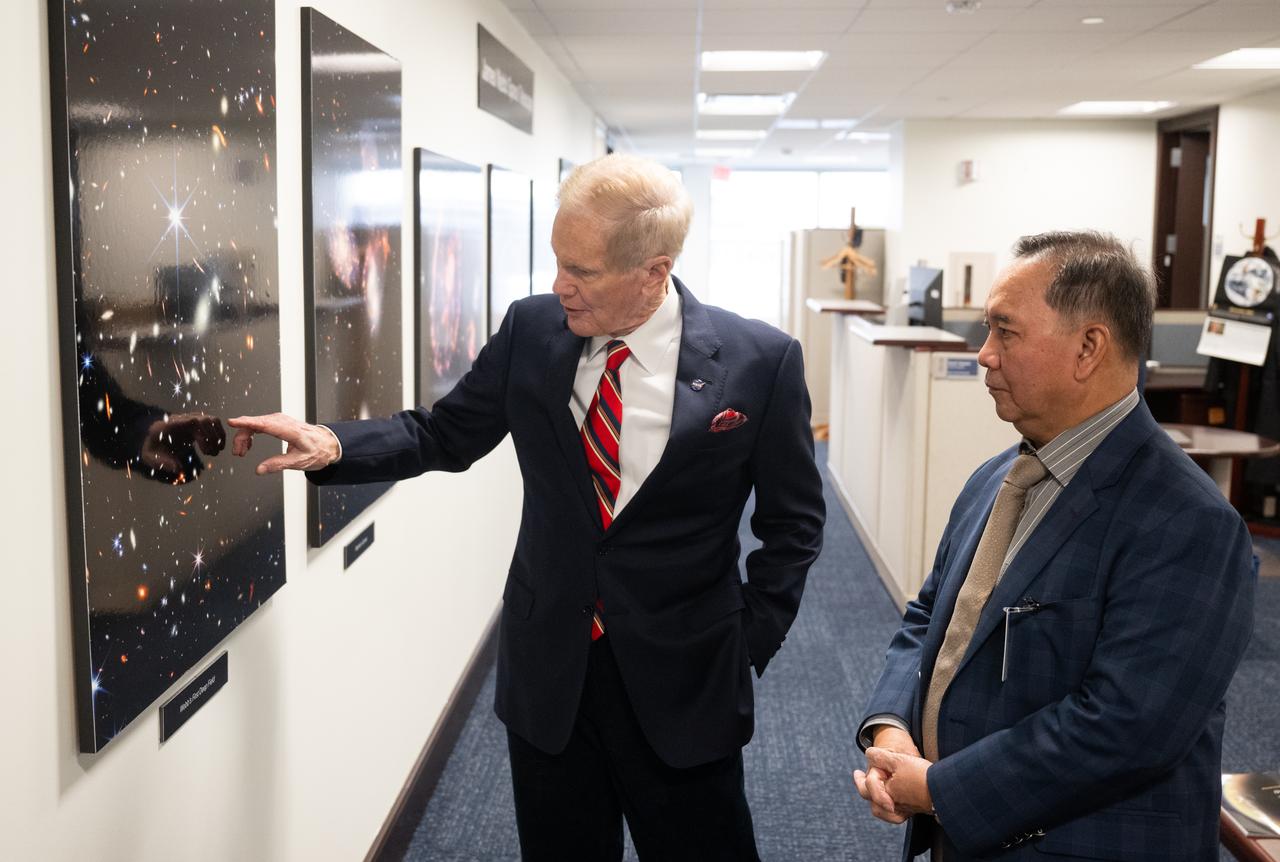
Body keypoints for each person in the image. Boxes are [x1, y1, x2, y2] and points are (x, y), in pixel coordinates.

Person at [228, 153, 825, 861]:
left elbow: (793, 523)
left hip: (685, 677)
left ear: (653, 271)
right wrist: (333, 443)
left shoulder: (761, 361)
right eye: (556, 262)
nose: (558, 285)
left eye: (582, 272)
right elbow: (444, 434)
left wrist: (746, 640)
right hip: (551, 675)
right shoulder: (534, 332)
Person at [853, 231, 1255, 861]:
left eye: (1005, 332)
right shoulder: (995, 479)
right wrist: (893, 728)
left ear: (1089, 347)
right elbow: (930, 616)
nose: (983, 355)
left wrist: (940, 789)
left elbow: (1129, 727)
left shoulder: (1187, 521)